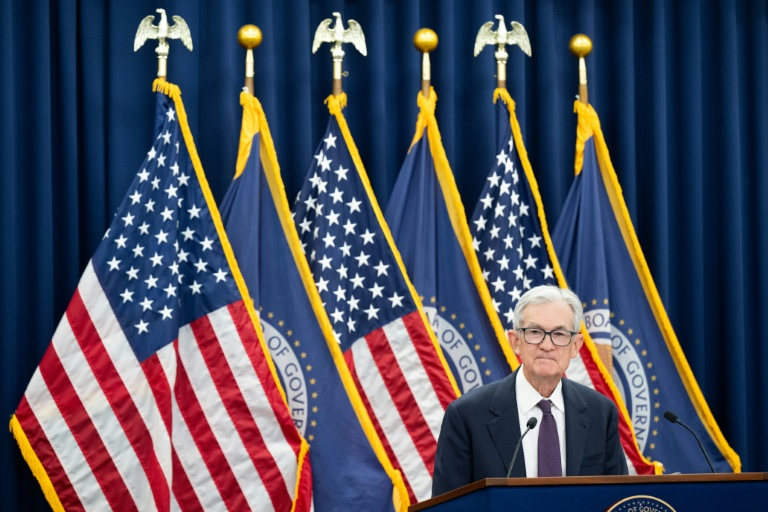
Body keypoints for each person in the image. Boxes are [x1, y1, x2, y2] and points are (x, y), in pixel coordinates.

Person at [432, 285, 627, 496]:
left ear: (575, 346)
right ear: (515, 341)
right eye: (535, 332)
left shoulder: (600, 413)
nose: (547, 345)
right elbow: (447, 506)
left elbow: (617, 500)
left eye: (559, 334)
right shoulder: (466, 416)